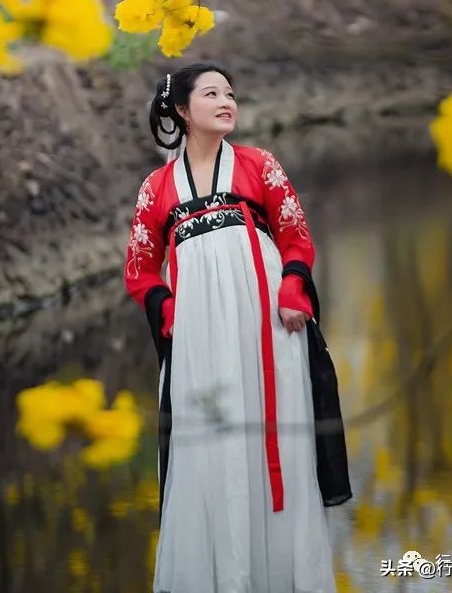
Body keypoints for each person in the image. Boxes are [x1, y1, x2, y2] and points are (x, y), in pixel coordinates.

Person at [123, 62, 339, 593]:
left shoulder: (258, 165)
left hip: (266, 323)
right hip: (197, 333)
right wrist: (171, 314)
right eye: (212, 93)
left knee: (276, 439)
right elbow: (140, 268)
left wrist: (293, 292)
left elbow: (295, 236)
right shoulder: (157, 187)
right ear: (181, 110)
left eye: (231, 93)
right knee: (209, 447)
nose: (227, 101)